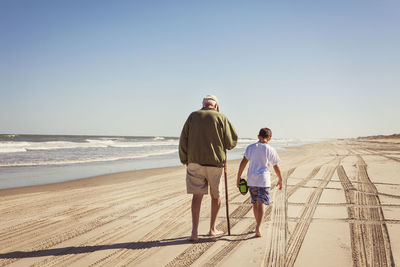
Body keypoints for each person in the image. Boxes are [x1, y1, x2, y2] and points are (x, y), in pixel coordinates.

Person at [179, 95, 238, 241]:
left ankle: (194, 232)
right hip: (215, 164)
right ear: (216, 106)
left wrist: (185, 159)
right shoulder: (221, 117)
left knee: (197, 197)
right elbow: (231, 142)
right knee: (215, 197)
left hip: (194, 163)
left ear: (203, 105)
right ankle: (212, 229)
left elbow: (183, 140)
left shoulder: (192, 116)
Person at [236, 127, 283, 237]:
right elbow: (276, 166)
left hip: (252, 180)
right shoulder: (270, 149)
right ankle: (258, 227)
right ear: (269, 138)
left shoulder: (251, 147)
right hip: (263, 180)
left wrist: (238, 177)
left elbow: (243, 163)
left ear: (258, 137)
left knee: (255, 203)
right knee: (261, 203)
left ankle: (257, 224)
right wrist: (280, 179)